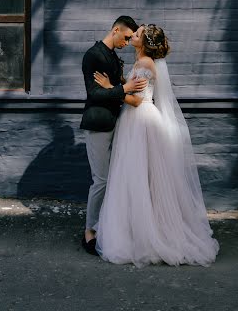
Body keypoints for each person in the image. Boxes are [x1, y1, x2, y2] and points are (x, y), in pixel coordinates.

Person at [93, 24, 220, 267]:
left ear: (145, 43)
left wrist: (111, 89)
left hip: (141, 120)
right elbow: (133, 90)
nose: (133, 35)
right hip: (135, 120)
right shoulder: (142, 62)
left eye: (138, 34)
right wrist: (120, 82)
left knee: (141, 175)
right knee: (136, 175)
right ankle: (137, 228)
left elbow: (137, 101)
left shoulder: (146, 64)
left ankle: (148, 234)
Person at [80, 16, 148, 255]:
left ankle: (108, 226)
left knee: (116, 178)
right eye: (127, 37)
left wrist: (120, 86)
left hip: (116, 123)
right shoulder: (93, 55)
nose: (128, 42)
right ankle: (89, 230)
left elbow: (116, 89)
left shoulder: (113, 57)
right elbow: (94, 93)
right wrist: (123, 89)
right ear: (116, 30)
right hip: (98, 124)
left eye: (132, 38)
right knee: (102, 180)